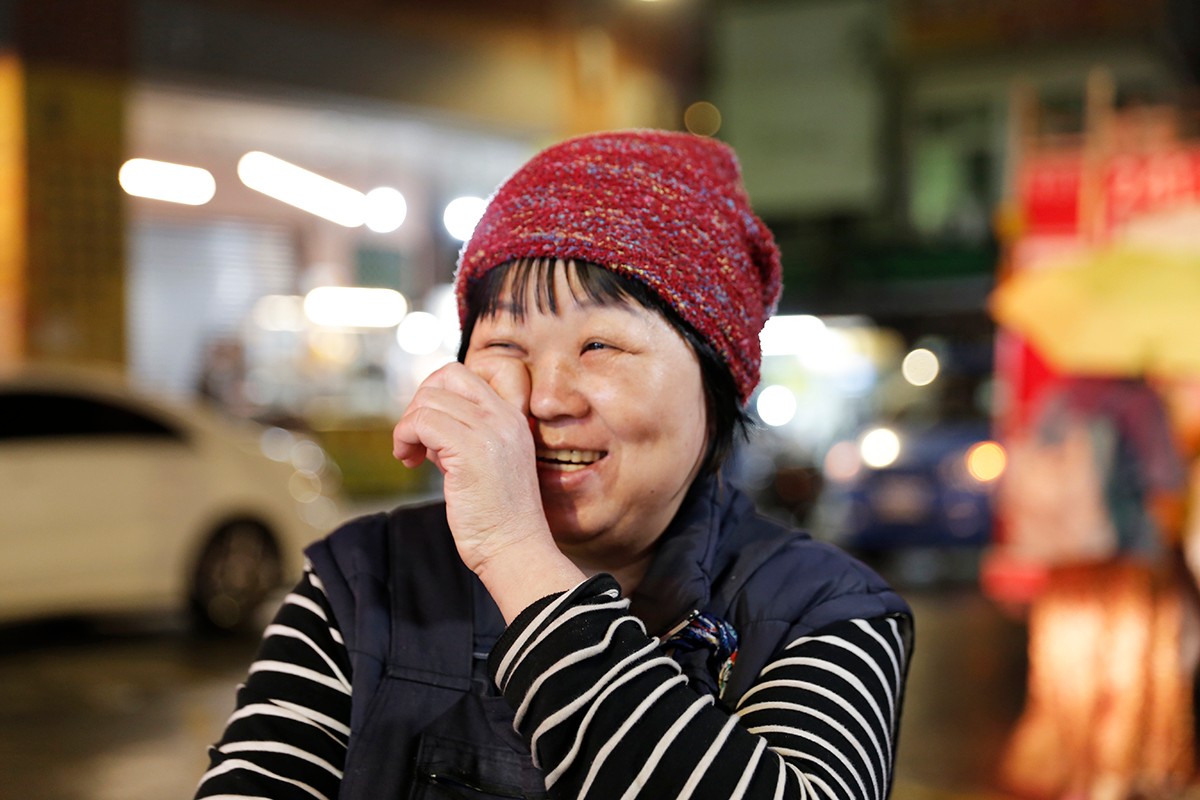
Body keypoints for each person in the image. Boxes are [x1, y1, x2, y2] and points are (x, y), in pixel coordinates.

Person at [194, 129, 914, 800]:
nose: (546, 399)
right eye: (506, 346)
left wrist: (514, 554)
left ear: (717, 381)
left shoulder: (826, 614)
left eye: (600, 346)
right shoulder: (359, 582)